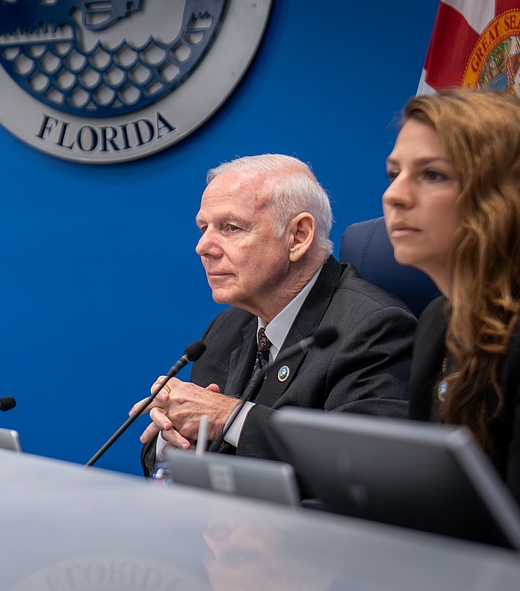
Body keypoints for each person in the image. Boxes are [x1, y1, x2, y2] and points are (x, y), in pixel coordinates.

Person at [137, 154, 415, 473]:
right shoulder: (230, 325)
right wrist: (171, 435)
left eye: (231, 227)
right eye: (203, 227)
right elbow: (188, 445)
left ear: (298, 236)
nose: (203, 246)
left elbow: (369, 464)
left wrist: (229, 417)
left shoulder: (372, 326)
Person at [383, 89, 520, 554]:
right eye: (394, 173)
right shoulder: (438, 319)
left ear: (507, 195)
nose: (394, 195)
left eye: (433, 175)